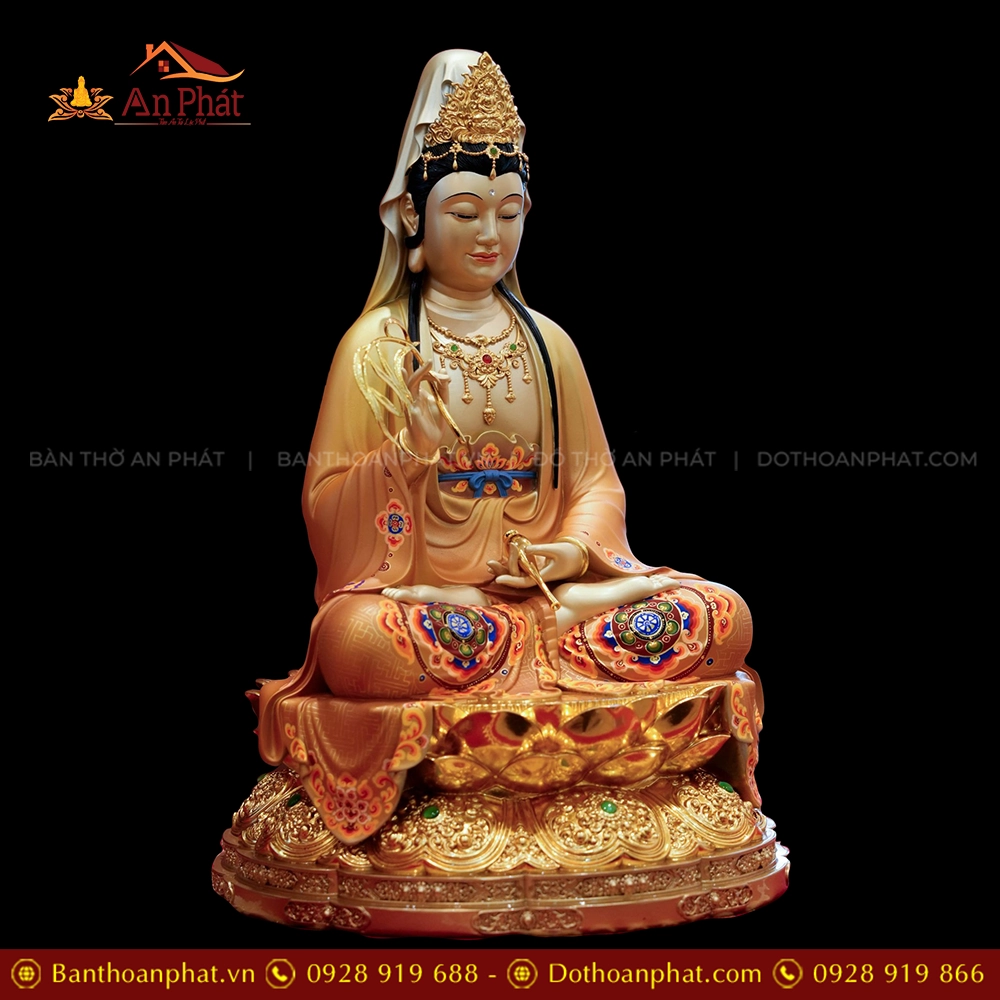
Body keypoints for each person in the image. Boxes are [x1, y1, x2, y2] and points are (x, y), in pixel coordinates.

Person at [253, 51, 761, 845]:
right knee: (362, 643)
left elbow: (596, 486)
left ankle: (540, 660)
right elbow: (325, 509)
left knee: (721, 616)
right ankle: (543, 679)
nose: (490, 234)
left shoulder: (550, 344)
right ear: (413, 215)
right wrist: (407, 457)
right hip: (435, 608)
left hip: (549, 601)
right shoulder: (375, 347)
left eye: (509, 211)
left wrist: (571, 552)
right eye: (464, 211)